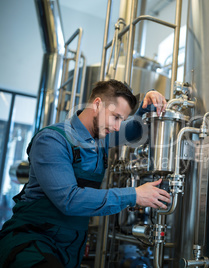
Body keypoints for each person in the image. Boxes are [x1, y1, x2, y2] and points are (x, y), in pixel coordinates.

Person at [0, 79, 171, 267]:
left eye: (121, 119)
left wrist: (148, 105)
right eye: (115, 117)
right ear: (97, 104)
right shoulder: (52, 139)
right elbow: (69, 200)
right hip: (32, 240)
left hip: (71, 246)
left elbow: (132, 132)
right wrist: (134, 194)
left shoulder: (100, 137)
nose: (117, 127)